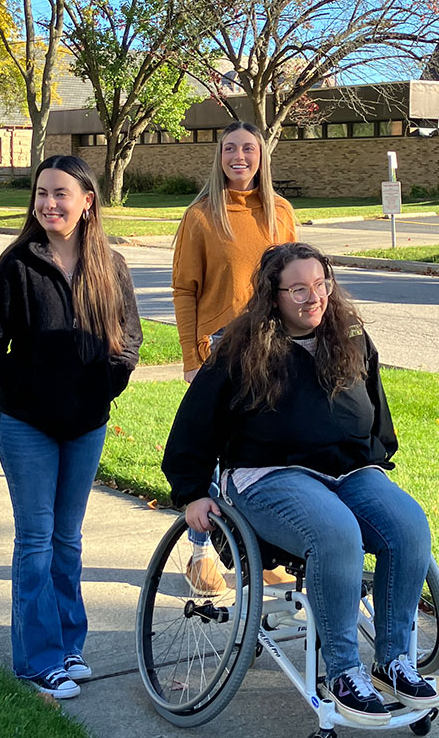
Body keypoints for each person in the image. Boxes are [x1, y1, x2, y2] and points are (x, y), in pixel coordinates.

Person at [163, 243, 439, 726]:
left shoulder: (349, 335)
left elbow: (377, 410)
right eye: (298, 290)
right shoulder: (240, 349)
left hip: (348, 471)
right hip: (267, 475)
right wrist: (192, 491)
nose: (314, 299)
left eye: (321, 285)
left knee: (409, 524)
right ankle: (343, 672)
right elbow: (193, 426)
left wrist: (373, 463)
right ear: (273, 296)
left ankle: (394, 660)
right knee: (334, 532)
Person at [0, 154, 142, 699]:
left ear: (87, 201)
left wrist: (99, 389)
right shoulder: (17, 264)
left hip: (87, 425)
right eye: (42, 193)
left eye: (60, 194)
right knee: (37, 540)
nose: (48, 203)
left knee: (68, 540)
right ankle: (38, 659)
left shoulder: (109, 266)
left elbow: (129, 341)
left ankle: (69, 644)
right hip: (26, 425)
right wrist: (37, 388)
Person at [171, 121, 298, 595]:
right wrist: (190, 356)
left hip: (276, 347)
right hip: (221, 348)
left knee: (265, 450)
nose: (239, 156)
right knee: (216, 450)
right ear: (219, 156)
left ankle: (260, 550)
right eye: (230, 149)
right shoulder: (202, 215)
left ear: (262, 156)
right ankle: (201, 551)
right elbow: (185, 289)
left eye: (249, 148)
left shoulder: (280, 212)